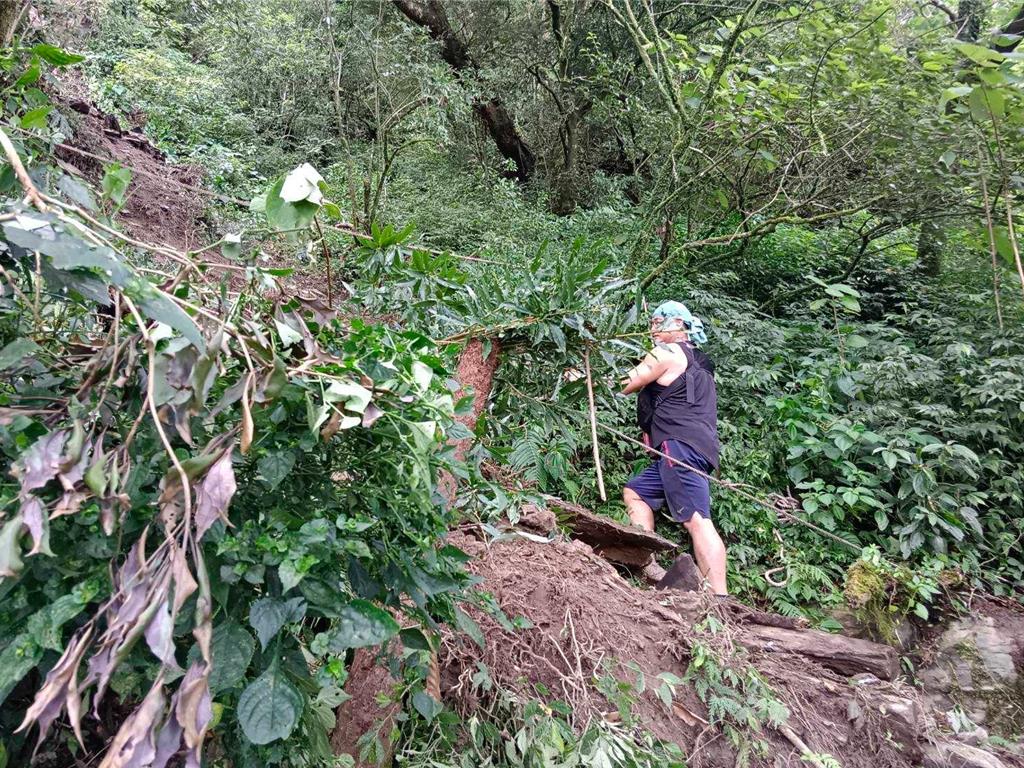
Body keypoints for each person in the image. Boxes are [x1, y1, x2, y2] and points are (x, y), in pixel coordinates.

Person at [620, 300, 727, 595]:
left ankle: (720, 599)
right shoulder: (700, 361)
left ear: (679, 324)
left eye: (659, 322)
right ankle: (648, 564)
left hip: (678, 447)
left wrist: (579, 378)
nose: (652, 328)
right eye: (652, 322)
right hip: (693, 446)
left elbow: (626, 383)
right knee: (636, 493)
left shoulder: (667, 352)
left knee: (697, 519)